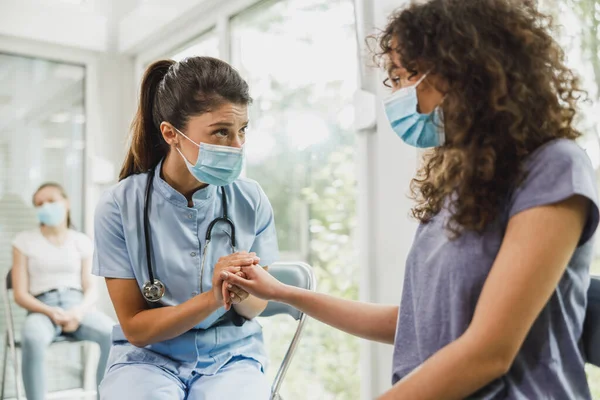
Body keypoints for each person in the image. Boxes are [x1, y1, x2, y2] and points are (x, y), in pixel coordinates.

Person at [221, 1, 600, 399]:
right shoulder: (456, 186)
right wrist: (283, 292)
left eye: (410, 75)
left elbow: (488, 353)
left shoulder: (553, 169)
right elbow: (415, 327)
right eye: (396, 79)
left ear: (470, 68)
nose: (400, 94)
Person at [92, 56, 279, 399]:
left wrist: (241, 290)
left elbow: (255, 307)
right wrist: (212, 297)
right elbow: (135, 327)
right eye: (221, 132)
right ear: (170, 134)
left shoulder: (250, 199)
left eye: (242, 130)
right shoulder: (119, 206)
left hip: (231, 357)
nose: (237, 146)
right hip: (146, 360)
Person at [11, 182, 113, 400]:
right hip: (41, 308)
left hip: (77, 306)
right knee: (32, 337)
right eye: (39, 203)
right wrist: (51, 312)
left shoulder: (81, 241)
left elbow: (91, 289)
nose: (45, 206)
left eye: (51, 201)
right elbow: (20, 294)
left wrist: (78, 312)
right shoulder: (23, 241)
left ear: (66, 203)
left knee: (113, 333)